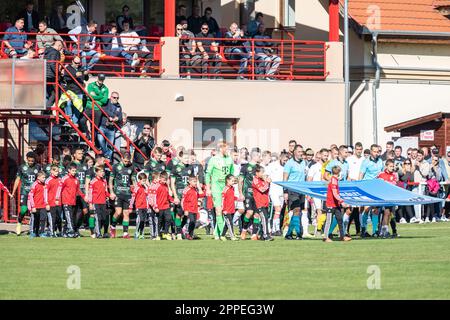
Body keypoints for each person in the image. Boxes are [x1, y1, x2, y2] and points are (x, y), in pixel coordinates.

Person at [205, 141, 234, 240]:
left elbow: (231, 174)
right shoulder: (213, 159)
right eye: (227, 148)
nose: (228, 150)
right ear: (221, 149)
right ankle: (222, 234)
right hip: (216, 188)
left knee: (225, 211)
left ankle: (218, 233)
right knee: (218, 210)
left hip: (226, 188)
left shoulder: (230, 159)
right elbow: (208, 174)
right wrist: (208, 188)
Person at [12, 152, 41, 236]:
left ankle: (34, 229)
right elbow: (17, 180)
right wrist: (13, 192)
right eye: (29, 160)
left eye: (32, 161)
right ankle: (19, 223)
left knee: (35, 211)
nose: (31, 162)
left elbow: (41, 178)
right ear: (26, 159)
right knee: (24, 210)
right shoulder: (22, 167)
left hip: (34, 192)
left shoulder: (38, 167)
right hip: (24, 192)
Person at [359, 144, 384, 238]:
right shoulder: (365, 162)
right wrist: (360, 187)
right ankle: (363, 229)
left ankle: (375, 231)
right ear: (370, 151)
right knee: (366, 209)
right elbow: (361, 175)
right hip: (366, 187)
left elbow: (381, 174)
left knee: (376, 210)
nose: (376, 153)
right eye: (374, 151)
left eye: (378, 151)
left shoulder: (380, 161)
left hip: (376, 187)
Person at [109, 152, 135, 239]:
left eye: (128, 161)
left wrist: (134, 190)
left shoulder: (131, 167)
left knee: (126, 213)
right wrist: (111, 192)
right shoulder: (116, 167)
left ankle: (125, 233)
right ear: (121, 158)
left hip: (127, 193)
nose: (126, 163)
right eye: (125, 161)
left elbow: (133, 179)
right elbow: (110, 180)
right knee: (118, 212)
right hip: (118, 193)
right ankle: (112, 227)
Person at [323, 166, 352, 243]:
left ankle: (342, 237)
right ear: (339, 172)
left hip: (336, 204)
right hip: (330, 204)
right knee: (329, 221)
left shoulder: (334, 179)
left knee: (340, 220)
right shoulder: (333, 180)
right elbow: (335, 194)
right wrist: (342, 201)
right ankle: (325, 237)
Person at [283, 144, 306, 240]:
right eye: (299, 152)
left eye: (302, 151)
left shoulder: (303, 162)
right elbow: (285, 178)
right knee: (296, 210)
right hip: (292, 190)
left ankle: (288, 234)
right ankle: (298, 233)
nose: (301, 153)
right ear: (295, 152)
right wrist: (285, 192)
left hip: (302, 190)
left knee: (298, 212)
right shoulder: (289, 163)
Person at [56, 162, 85, 238]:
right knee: (69, 217)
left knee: (71, 217)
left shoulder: (76, 179)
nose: (74, 172)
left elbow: (78, 190)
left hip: (73, 201)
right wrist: (57, 198)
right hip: (66, 201)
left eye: (75, 171)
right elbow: (59, 189)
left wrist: (84, 196)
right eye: (73, 170)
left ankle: (64, 232)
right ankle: (71, 231)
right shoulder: (65, 178)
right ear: (69, 170)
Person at [238, 148, 261, 240]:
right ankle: (244, 230)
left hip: (257, 194)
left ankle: (254, 235)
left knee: (256, 214)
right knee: (249, 212)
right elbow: (240, 181)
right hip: (248, 193)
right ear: (254, 156)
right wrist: (240, 193)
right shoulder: (245, 167)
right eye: (259, 156)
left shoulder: (259, 167)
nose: (260, 157)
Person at [265, 151, 289, 236]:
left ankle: (277, 229)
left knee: (279, 211)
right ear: (280, 158)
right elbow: (265, 175)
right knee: (277, 209)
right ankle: (273, 228)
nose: (285, 162)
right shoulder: (272, 165)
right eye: (284, 160)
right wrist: (267, 179)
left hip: (282, 191)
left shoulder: (287, 167)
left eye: (287, 160)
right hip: (274, 190)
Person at [307, 148, 329, 236]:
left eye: (327, 155)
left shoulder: (328, 166)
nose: (326, 157)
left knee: (326, 211)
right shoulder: (314, 167)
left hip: (326, 192)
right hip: (316, 191)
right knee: (319, 211)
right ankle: (318, 230)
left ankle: (323, 229)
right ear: (320, 155)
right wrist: (308, 193)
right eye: (324, 155)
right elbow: (309, 179)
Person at [62, 55, 89, 126]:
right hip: (70, 90)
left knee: (78, 108)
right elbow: (66, 78)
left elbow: (86, 79)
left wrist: (86, 74)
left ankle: (74, 121)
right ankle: (69, 119)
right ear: (72, 61)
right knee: (68, 104)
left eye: (78, 63)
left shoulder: (81, 68)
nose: (77, 65)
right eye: (76, 63)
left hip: (79, 91)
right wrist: (75, 75)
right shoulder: (68, 68)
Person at [377, 159, 399, 238]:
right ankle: (383, 231)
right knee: (386, 213)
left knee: (390, 214)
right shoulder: (381, 174)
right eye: (390, 166)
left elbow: (394, 186)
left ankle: (391, 231)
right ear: (386, 166)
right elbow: (377, 185)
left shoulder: (394, 175)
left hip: (391, 197)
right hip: (383, 197)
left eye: (393, 166)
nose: (392, 168)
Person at [87, 166, 110, 238]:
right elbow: (90, 193)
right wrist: (90, 203)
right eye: (100, 171)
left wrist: (110, 195)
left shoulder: (104, 181)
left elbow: (106, 191)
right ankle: (98, 233)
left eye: (103, 171)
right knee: (97, 218)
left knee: (103, 218)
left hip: (103, 202)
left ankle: (97, 231)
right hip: (95, 202)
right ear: (96, 172)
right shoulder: (93, 181)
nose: (102, 173)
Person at [97, 92, 123, 159]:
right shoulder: (106, 102)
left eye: (117, 98)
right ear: (111, 97)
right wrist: (112, 116)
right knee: (100, 140)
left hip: (111, 128)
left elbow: (120, 116)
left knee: (110, 144)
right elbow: (104, 109)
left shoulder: (118, 106)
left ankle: (108, 158)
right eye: (114, 97)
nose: (116, 99)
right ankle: (106, 154)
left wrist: (117, 118)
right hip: (103, 126)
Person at [346, 142, 364, 235]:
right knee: (350, 209)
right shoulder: (349, 159)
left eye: (360, 149)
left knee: (357, 209)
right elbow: (347, 172)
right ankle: (346, 229)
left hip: (359, 185)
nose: (359, 151)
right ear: (354, 150)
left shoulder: (364, 159)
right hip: (351, 184)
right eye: (357, 149)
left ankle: (358, 230)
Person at [252, 164, 273, 241]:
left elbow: (267, 189)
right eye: (262, 172)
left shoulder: (262, 180)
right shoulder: (256, 180)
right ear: (257, 173)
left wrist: (268, 182)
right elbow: (262, 189)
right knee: (264, 218)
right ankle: (265, 235)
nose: (263, 174)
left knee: (265, 219)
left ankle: (261, 234)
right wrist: (267, 182)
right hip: (259, 202)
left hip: (265, 202)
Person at [181, 175, 204, 240]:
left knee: (193, 222)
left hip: (194, 209)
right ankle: (181, 231)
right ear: (189, 182)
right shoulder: (187, 189)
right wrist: (185, 209)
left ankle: (190, 235)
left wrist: (199, 188)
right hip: (188, 209)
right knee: (191, 221)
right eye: (194, 181)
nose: (195, 183)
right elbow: (183, 200)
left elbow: (201, 195)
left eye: (196, 182)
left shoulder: (195, 190)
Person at [153, 171, 173, 240]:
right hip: (159, 207)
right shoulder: (157, 186)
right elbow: (153, 197)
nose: (165, 181)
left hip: (166, 206)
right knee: (159, 221)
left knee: (168, 219)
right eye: (164, 180)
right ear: (160, 178)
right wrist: (155, 206)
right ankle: (158, 235)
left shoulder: (166, 186)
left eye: (166, 180)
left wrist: (172, 200)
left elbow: (168, 196)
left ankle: (166, 232)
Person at [130, 172, 150, 240]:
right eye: (143, 181)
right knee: (139, 220)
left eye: (145, 180)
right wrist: (131, 206)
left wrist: (148, 206)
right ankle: (136, 232)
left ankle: (142, 233)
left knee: (143, 221)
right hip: (139, 206)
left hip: (145, 206)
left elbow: (148, 196)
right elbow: (133, 197)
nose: (144, 182)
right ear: (139, 180)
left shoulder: (145, 187)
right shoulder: (137, 187)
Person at [27, 171, 47, 238]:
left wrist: (46, 203)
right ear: (38, 177)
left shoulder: (44, 185)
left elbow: (45, 195)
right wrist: (33, 206)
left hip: (43, 205)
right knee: (35, 219)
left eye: (45, 177)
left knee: (43, 219)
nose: (44, 179)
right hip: (36, 206)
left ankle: (41, 232)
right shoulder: (34, 185)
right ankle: (32, 232)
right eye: (43, 177)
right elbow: (30, 196)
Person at [44, 40, 63, 108]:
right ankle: (47, 110)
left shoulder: (47, 51)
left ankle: (46, 112)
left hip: (45, 75)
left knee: (49, 94)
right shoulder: (55, 52)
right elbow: (53, 64)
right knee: (56, 94)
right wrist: (58, 73)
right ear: (59, 46)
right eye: (61, 48)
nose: (60, 50)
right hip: (51, 76)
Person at [44, 164, 62, 237]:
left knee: (59, 219)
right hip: (51, 202)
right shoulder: (48, 181)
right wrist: (46, 203)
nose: (57, 172)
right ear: (51, 171)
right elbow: (45, 192)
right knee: (52, 218)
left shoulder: (60, 180)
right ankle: (52, 232)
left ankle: (60, 231)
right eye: (55, 171)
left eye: (58, 171)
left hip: (59, 202)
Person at [221, 174, 238, 241]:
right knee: (230, 223)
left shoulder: (232, 188)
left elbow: (231, 198)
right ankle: (232, 236)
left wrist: (237, 198)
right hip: (226, 210)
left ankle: (222, 235)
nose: (233, 182)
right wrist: (223, 209)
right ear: (228, 180)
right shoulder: (226, 189)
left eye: (234, 181)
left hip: (232, 208)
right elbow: (223, 199)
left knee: (227, 224)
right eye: (232, 181)